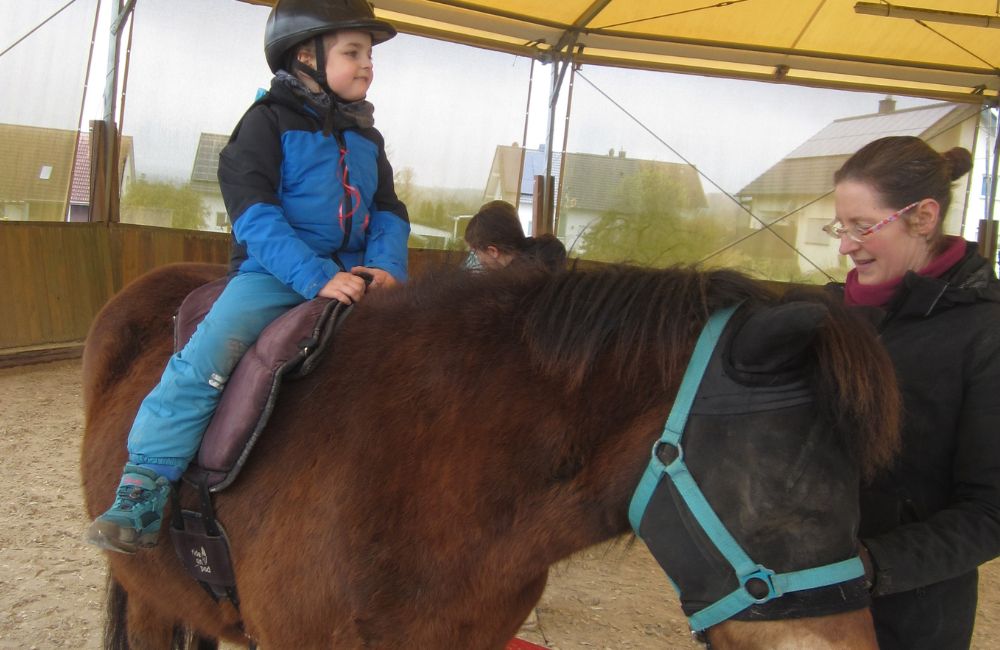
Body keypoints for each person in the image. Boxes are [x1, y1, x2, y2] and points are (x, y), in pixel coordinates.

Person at [86, 0, 409, 554]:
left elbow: (388, 211)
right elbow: (255, 216)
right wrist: (315, 278)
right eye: (353, 52)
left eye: (369, 55)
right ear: (307, 54)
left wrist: (386, 267)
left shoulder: (367, 139)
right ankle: (144, 486)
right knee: (208, 355)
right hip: (277, 274)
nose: (366, 65)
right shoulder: (264, 125)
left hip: (358, 273)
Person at [824, 135, 1000, 649]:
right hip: (796, 597)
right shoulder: (829, 315)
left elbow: (991, 510)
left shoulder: (983, 334)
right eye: (841, 226)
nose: (845, 245)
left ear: (923, 218)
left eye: (863, 227)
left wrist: (871, 566)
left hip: (907, 621)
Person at [464, 200, 567, 272]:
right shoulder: (547, 254)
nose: (477, 259)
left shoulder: (510, 286)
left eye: (476, 252)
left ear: (492, 251)